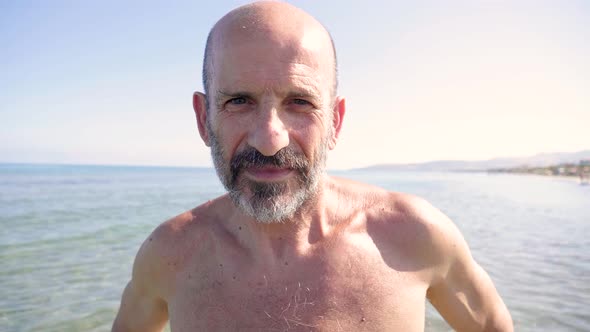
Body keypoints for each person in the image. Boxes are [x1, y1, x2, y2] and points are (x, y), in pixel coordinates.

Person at [112, 1, 513, 331]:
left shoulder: (415, 234)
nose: (270, 139)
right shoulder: (169, 254)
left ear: (335, 122)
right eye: (239, 101)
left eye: (299, 103)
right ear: (203, 120)